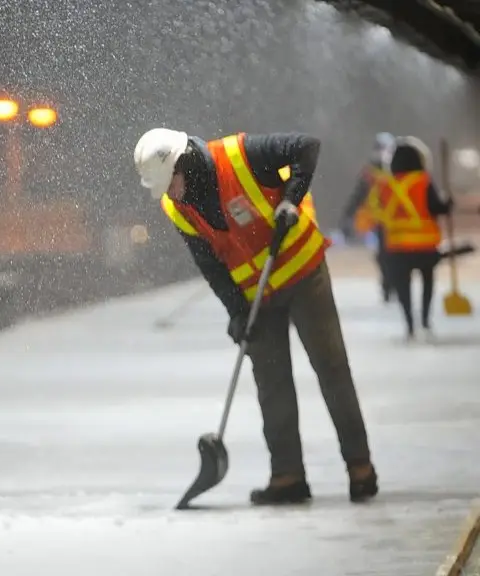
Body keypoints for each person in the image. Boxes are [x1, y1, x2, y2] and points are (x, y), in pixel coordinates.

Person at [134, 128, 378, 505]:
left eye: (171, 183)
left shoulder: (242, 155)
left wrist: (290, 201)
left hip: (303, 274)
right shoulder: (177, 208)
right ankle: (288, 476)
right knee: (271, 384)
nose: (169, 193)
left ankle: (360, 469)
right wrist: (236, 311)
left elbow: (307, 147)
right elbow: (210, 264)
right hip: (256, 297)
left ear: (186, 163)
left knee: (331, 368)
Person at [372, 136, 452, 341]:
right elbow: (436, 208)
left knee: (403, 287)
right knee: (427, 282)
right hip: (424, 246)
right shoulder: (423, 181)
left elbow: (380, 213)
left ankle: (409, 324)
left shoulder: (387, 185)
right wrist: (448, 204)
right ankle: (425, 320)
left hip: (398, 248)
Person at [340, 133, 397, 303]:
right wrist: (347, 215)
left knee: (396, 257)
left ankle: (396, 285)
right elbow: (358, 195)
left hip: (399, 221)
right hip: (380, 221)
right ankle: (388, 286)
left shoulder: (398, 171)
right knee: (384, 256)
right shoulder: (370, 173)